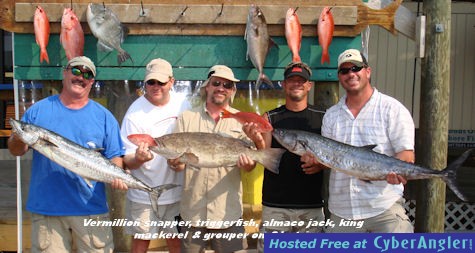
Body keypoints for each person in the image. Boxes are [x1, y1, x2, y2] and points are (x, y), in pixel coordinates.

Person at [8, 56, 127, 252]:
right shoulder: (38, 111)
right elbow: (16, 150)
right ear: (65, 72)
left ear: (92, 82)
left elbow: (115, 157)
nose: (81, 77)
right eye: (76, 71)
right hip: (47, 210)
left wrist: (118, 176)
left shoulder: (104, 117)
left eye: (87, 74)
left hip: (91, 210)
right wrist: (19, 137)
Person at [322, 49, 414, 232]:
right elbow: (328, 160)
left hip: (384, 209)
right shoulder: (331, 116)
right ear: (339, 77)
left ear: (368, 71)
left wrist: (400, 171)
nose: (351, 74)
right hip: (342, 213)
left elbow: (406, 154)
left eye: (356, 68)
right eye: (344, 71)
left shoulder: (393, 109)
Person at [168, 65, 256, 253]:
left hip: (227, 212)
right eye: (216, 83)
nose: (221, 88)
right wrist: (174, 163)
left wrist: (250, 163)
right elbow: (177, 165)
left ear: (232, 90)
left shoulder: (241, 121)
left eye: (227, 85)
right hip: (193, 212)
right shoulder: (186, 118)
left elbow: (251, 165)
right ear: (207, 86)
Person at [243, 61, 326, 252]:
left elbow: (333, 157)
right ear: (283, 84)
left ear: (309, 85)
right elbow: (264, 154)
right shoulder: (270, 118)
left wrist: (320, 164)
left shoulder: (324, 116)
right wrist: (256, 140)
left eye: (301, 80)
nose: (296, 84)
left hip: (311, 205)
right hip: (276, 206)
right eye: (291, 80)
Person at [121, 58, 191, 253]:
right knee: (141, 242)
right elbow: (127, 160)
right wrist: (138, 159)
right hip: (143, 194)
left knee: (176, 242)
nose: (155, 86)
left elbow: (193, 144)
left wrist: (181, 164)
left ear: (172, 82)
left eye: (161, 82)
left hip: (177, 193)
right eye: (151, 82)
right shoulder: (134, 113)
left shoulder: (184, 105)